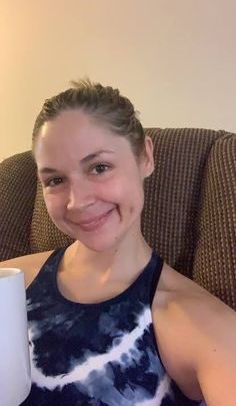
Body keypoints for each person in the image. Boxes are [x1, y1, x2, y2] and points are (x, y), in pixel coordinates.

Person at [1, 79, 236, 406]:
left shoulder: (197, 323)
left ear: (146, 158)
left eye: (99, 167)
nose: (77, 202)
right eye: (55, 180)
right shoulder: (9, 284)